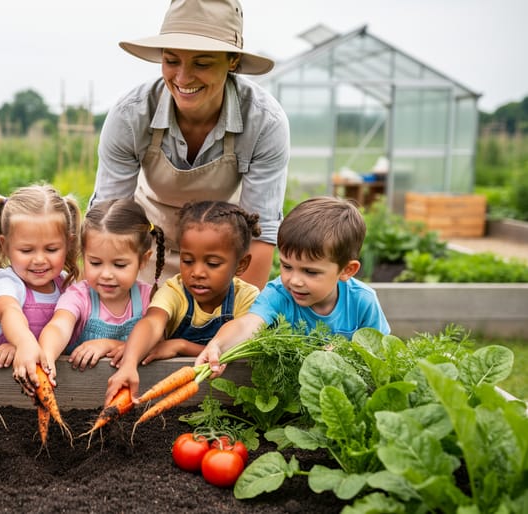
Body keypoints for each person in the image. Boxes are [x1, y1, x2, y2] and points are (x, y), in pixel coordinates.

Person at [90, 0, 289, 291]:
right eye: (171, 61)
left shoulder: (264, 122)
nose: (183, 78)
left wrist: (238, 318)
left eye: (203, 63)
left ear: (232, 61)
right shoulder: (131, 114)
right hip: (144, 254)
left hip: (220, 261)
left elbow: (258, 234)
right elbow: (108, 222)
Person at [195, 196, 392, 378]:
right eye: (287, 266)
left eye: (310, 272)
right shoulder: (278, 294)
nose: (294, 280)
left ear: (347, 270)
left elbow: (379, 353)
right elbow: (248, 324)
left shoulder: (363, 301)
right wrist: (218, 345)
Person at [105, 200, 262, 404]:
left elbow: (238, 354)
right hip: (170, 394)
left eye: (212, 263)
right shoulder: (175, 291)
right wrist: (129, 364)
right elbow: (152, 323)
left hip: (227, 400)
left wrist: (181, 346)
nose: (197, 272)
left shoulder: (246, 298)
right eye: (187, 261)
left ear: (241, 265)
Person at [38, 198, 165, 384]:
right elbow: (58, 326)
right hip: (76, 391)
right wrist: (47, 357)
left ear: (143, 260)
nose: (106, 274)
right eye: (95, 263)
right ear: (83, 256)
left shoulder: (150, 299)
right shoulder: (79, 296)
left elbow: (158, 345)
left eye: (119, 265)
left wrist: (109, 345)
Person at [0, 184, 81, 394]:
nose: (39, 260)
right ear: (5, 245)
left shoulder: (67, 285)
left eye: (52, 249)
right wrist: (22, 344)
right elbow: (9, 311)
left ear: (69, 244)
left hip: (66, 385)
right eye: (26, 250)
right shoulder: (7, 282)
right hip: (11, 387)